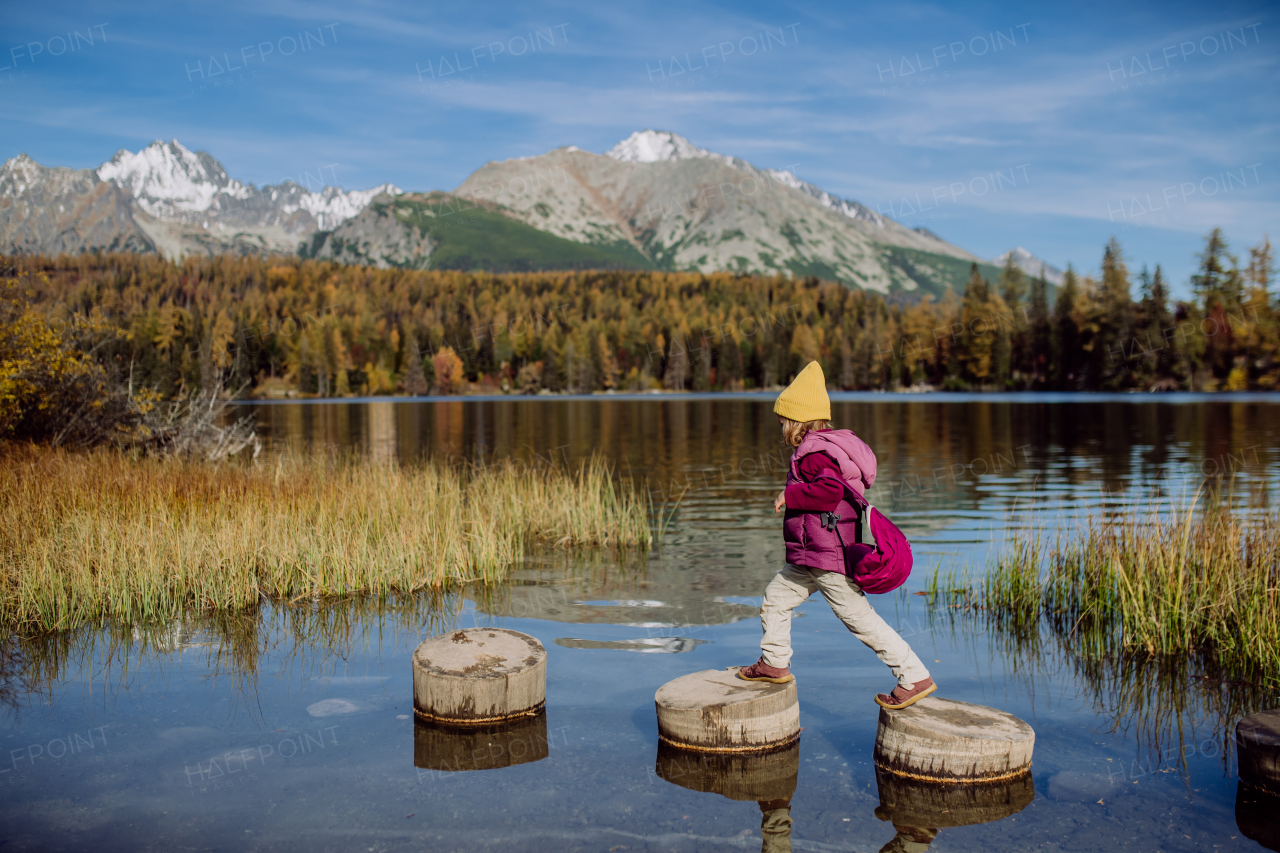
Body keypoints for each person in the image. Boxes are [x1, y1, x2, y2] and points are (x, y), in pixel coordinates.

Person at [737, 361, 937, 709]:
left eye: (782, 419)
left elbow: (829, 492)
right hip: (811, 554)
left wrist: (790, 496)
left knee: (860, 620)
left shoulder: (814, 453)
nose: (780, 426)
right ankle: (774, 663)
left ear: (798, 420)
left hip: (827, 557)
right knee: (777, 599)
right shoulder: (830, 447)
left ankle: (914, 676)